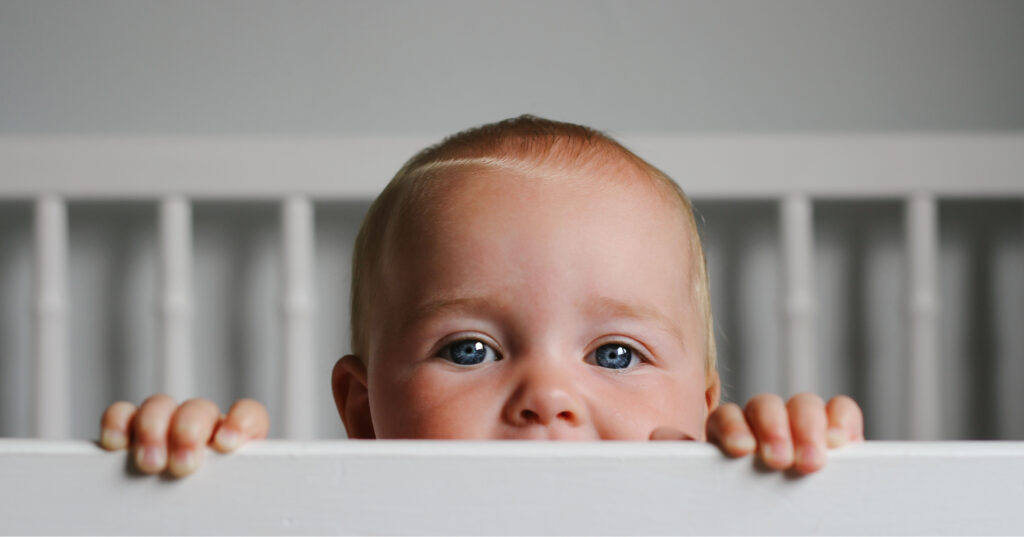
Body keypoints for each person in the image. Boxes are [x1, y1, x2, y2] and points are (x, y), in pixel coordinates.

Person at [99, 115, 863, 477]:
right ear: (363, 412)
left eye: (617, 352)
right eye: (470, 349)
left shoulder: (722, 516)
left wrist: (801, 490)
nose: (548, 397)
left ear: (703, 408)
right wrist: (184, 491)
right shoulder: (327, 521)